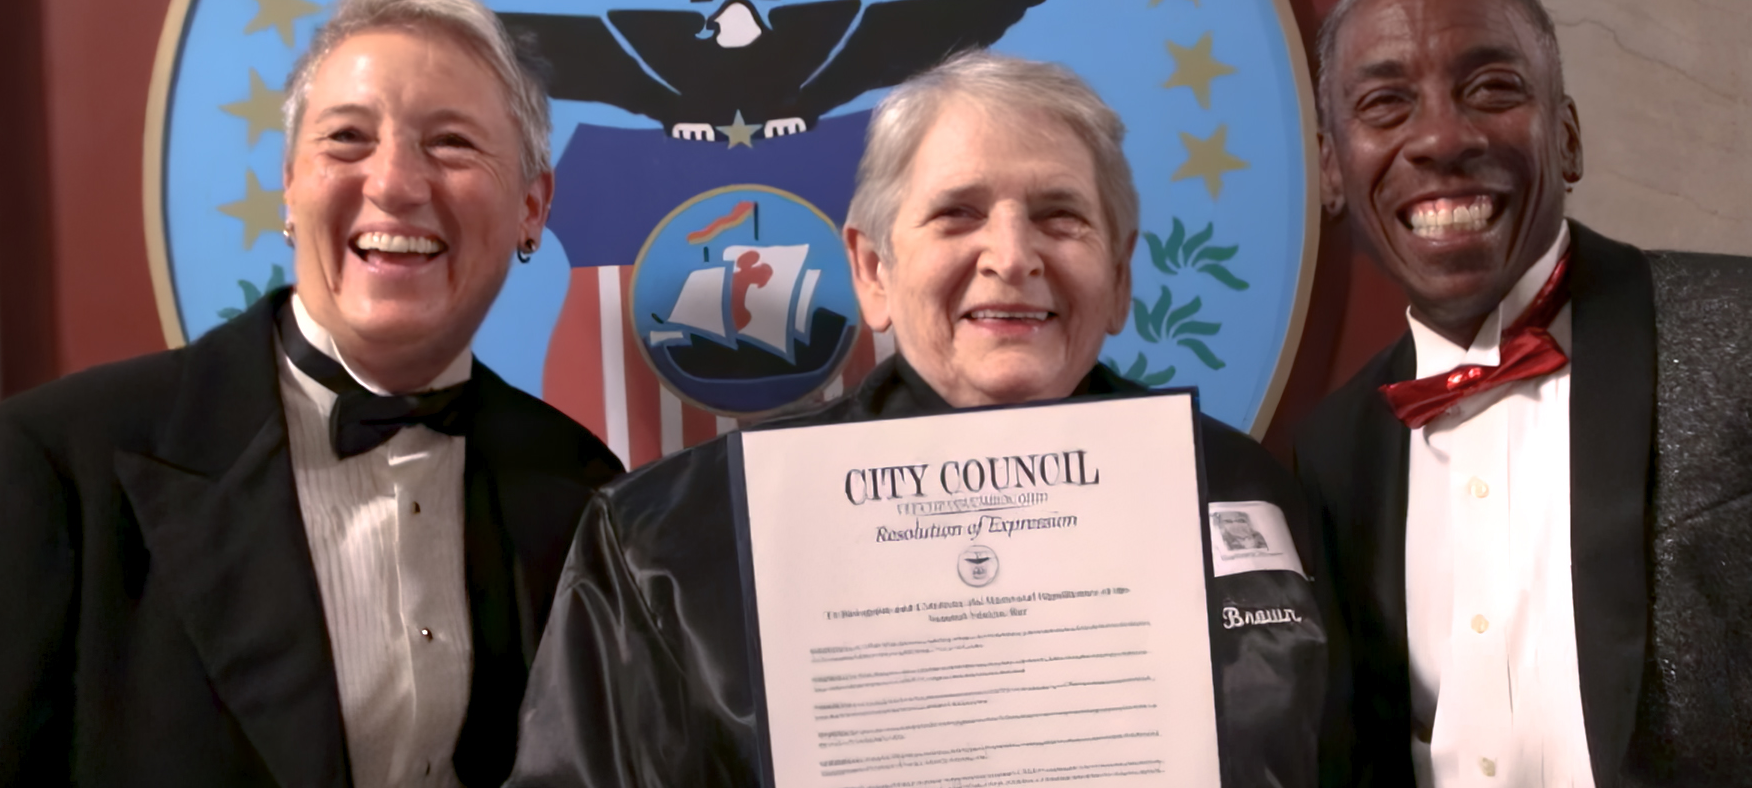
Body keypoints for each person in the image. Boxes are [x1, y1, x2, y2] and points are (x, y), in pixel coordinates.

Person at [509, 51, 1330, 787]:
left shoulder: (1247, 490)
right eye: (958, 214)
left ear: (1118, 278)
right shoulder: (662, 542)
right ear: (873, 270)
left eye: (1060, 216)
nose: (1012, 255)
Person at [0, 0, 624, 787]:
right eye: (347, 139)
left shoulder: (581, 486)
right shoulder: (59, 463)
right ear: (290, 187)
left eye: (451, 143)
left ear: (533, 206)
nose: (393, 184)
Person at [1294, 0, 1752, 787]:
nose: (1440, 137)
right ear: (1332, 170)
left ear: (1566, 138)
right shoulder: (1328, 455)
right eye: (1386, 103)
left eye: (1492, 87)